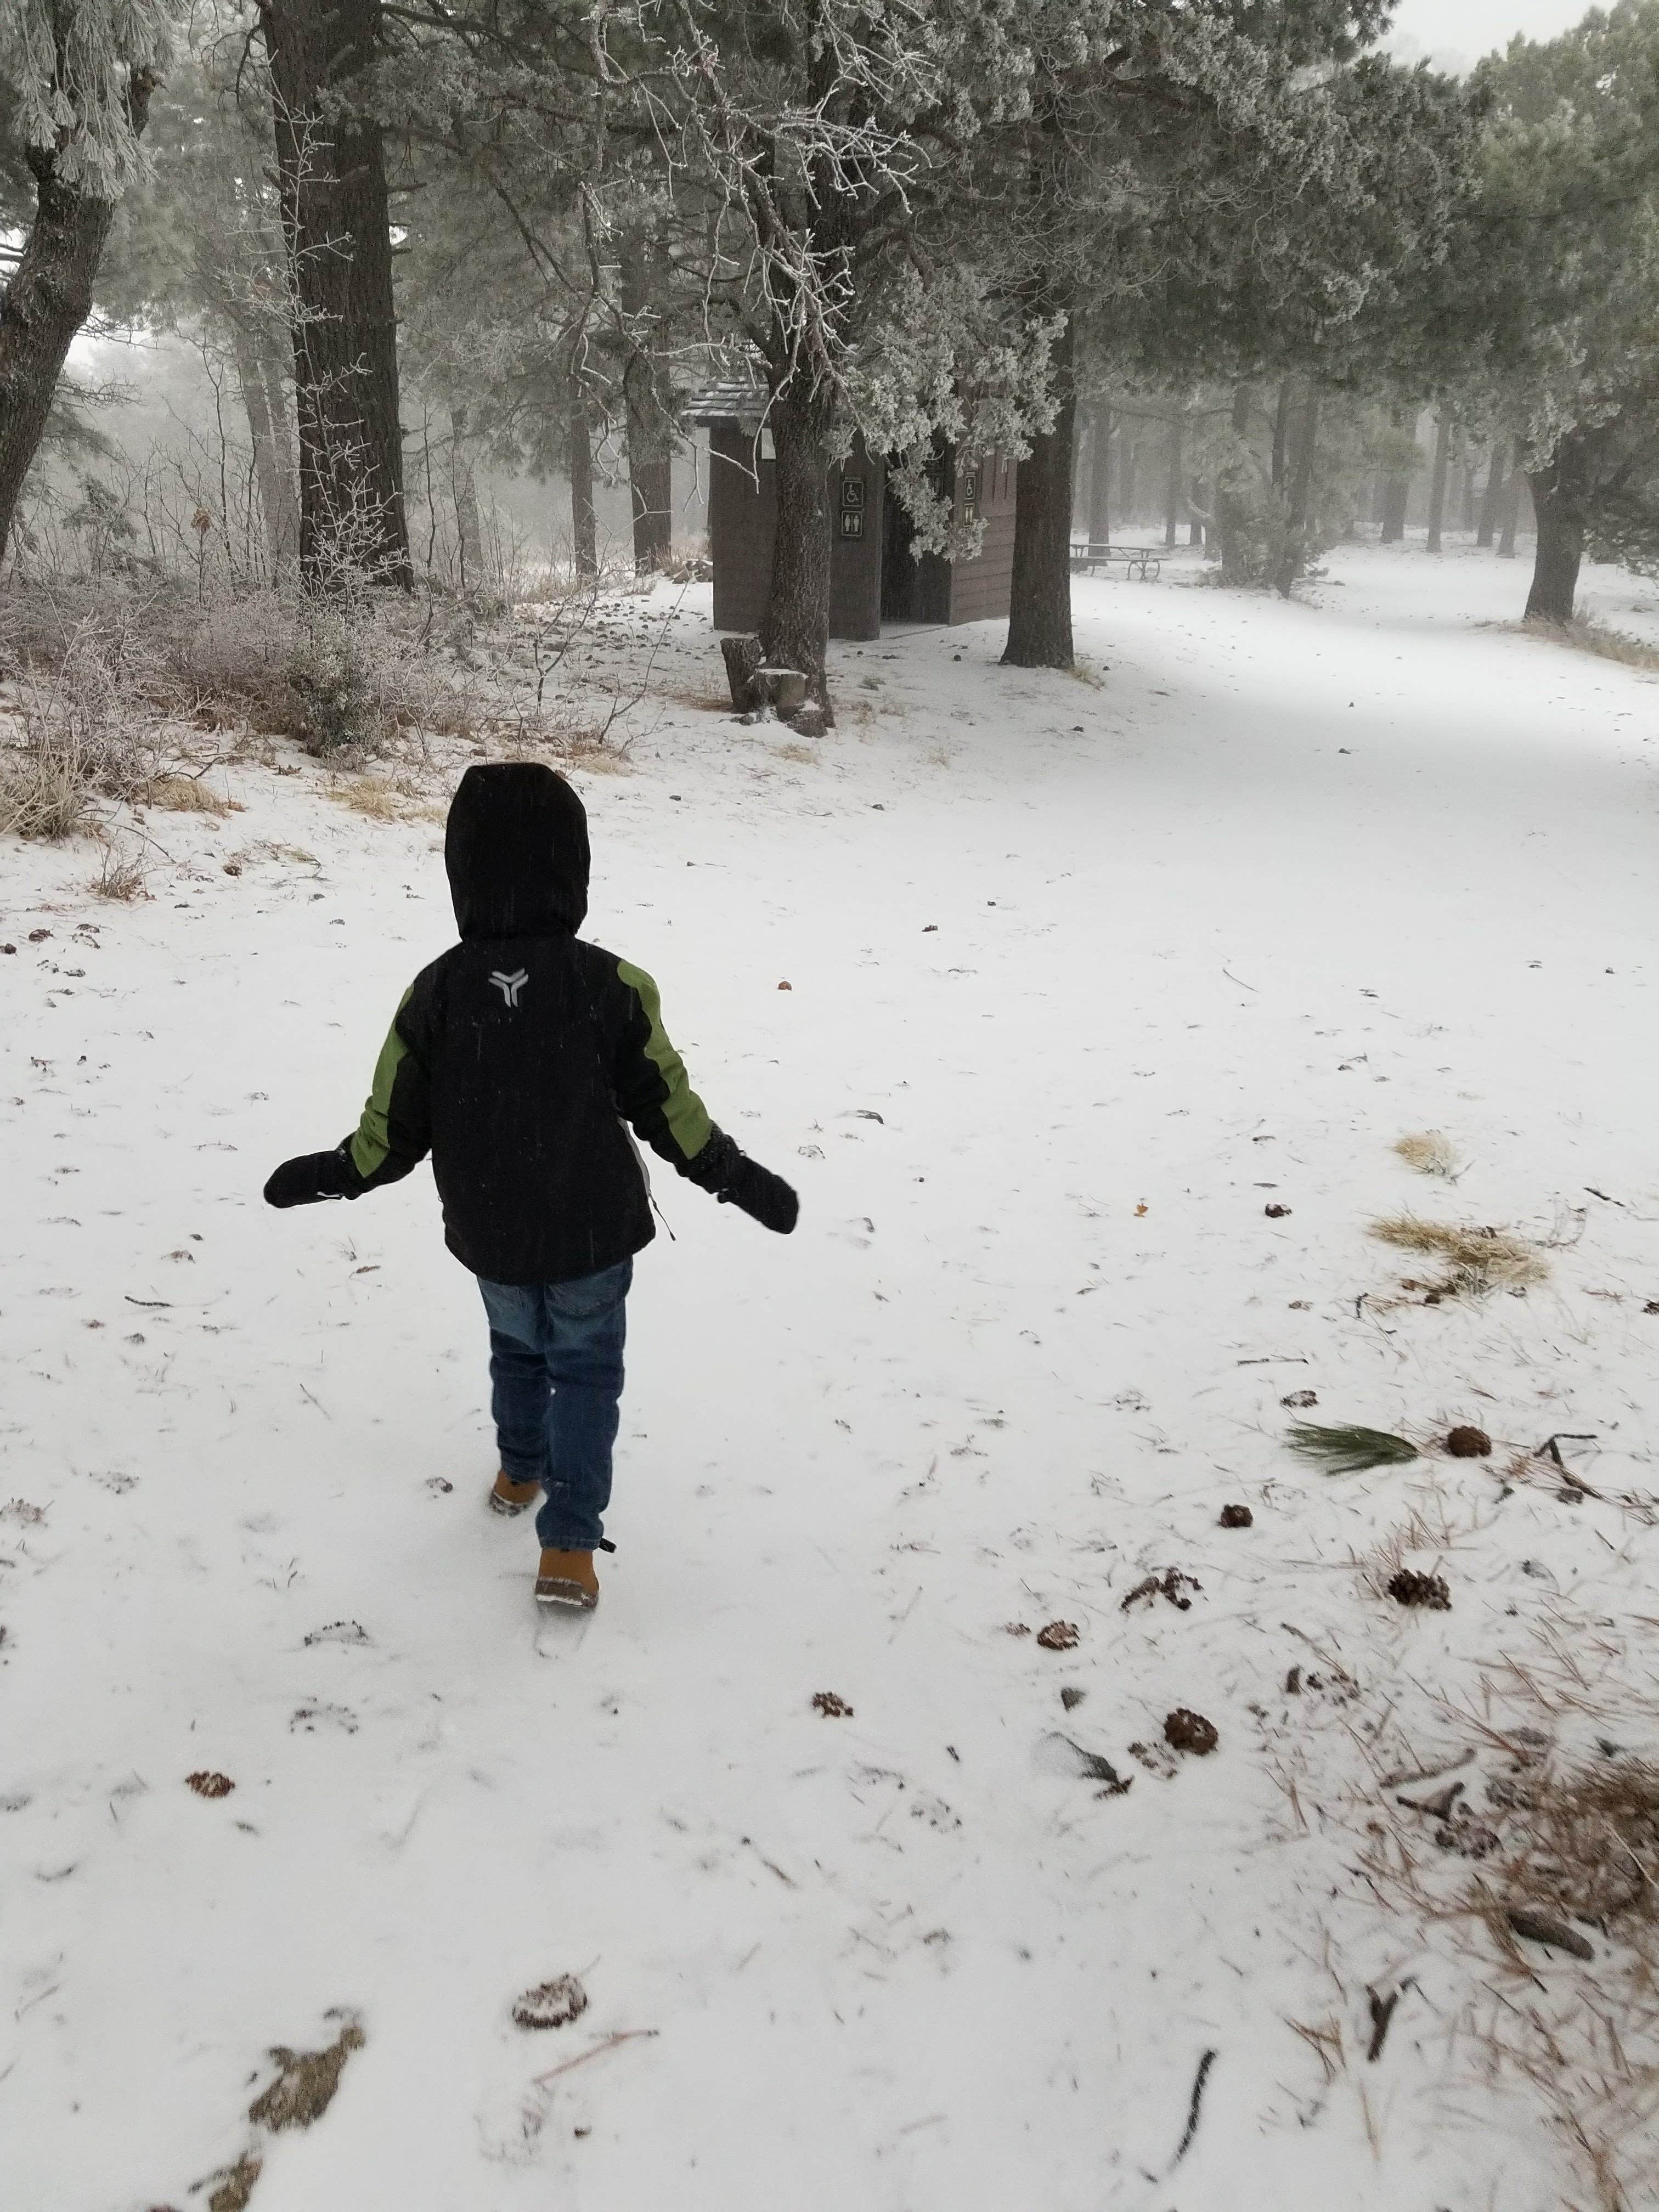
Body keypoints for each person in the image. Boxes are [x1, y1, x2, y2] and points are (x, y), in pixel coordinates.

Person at [263, 761, 798, 1611]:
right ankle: (571, 1550)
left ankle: (520, 1472)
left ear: (462, 874)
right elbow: (670, 1108)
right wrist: (737, 1179)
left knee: (516, 1347)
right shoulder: (609, 985)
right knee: (583, 1374)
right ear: (572, 870)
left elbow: (390, 1128)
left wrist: (335, 1174)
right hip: (590, 1232)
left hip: (492, 1234)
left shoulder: (435, 993)